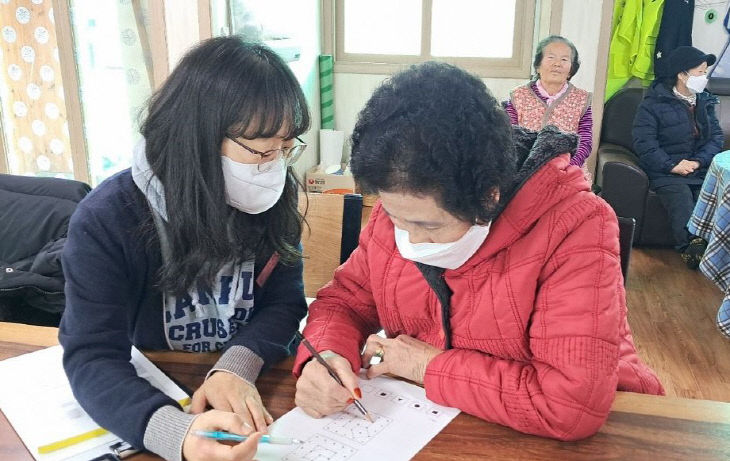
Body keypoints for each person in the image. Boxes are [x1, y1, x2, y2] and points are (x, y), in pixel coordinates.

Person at [293, 62, 664, 441]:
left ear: (489, 196)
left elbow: (569, 404)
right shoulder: (403, 208)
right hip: (444, 420)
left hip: (603, 432)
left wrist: (426, 366)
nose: (411, 241)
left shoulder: (575, 224)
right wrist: (325, 356)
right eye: (394, 217)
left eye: (429, 226)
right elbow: (345, 302)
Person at [59, 37, 310, 461]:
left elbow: (285, 304)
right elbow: (92, 355)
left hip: (256, 384)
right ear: (198, 138)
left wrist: (236, 366)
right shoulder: (109, 219)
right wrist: (176, 434)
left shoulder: (269, 199)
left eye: (286, 148)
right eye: (262, 149)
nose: (277, 167)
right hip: (161, 386)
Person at [632, 46, 723, 268]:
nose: (704, 77)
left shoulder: (705, 101)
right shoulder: (653, 104)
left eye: (705, 72)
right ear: (682, 75)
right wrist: (672, 165)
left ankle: (718, 250)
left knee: (714, 193)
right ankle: (691, 249)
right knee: (681, 196)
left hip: (698, 167)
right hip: (666, 171)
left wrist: (698, 161)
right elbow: (644, 143)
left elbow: (716, 138)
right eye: (700, 72)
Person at [504, 35, 593, 168]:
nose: (557, 64)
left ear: (571, 70)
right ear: (538, 66)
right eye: (551, 57)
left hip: (568, 169)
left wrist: (568, 166)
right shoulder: (518, 96)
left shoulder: (582, 99)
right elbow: (510, 137)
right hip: (524, 167)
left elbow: (585, 141)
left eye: (564, 59)